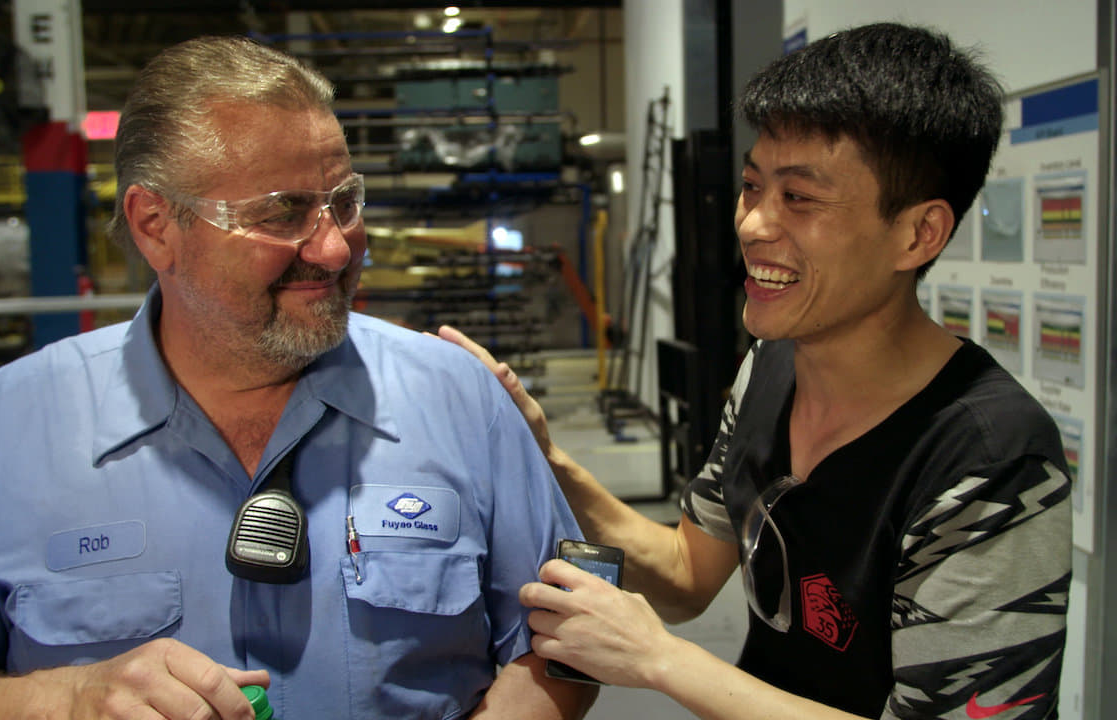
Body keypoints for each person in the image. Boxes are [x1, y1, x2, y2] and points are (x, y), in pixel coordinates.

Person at [0, 36, 595, 720]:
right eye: (284, 211)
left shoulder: (459, 398)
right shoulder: (5, 427)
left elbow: (566, 646)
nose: (334, 247)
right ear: (155, 225)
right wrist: (58, 701)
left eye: (344, 202)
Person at [441, 22, 1072, 720]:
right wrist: (547, 458)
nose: (751, 224)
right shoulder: (771, 368)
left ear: (917, 234)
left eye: (799, 198)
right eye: (751, 186)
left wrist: (661, 660)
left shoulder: (991, 457)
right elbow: (687, 575)